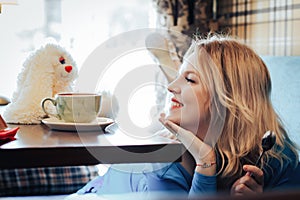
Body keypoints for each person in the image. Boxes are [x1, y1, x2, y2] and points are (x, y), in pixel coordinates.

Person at [75, 34, 299, 198]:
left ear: (228, 100)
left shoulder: (279, 158)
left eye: (189, 79)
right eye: (178, 76)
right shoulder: (162, 159)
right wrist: (205, 162)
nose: (171, 86)